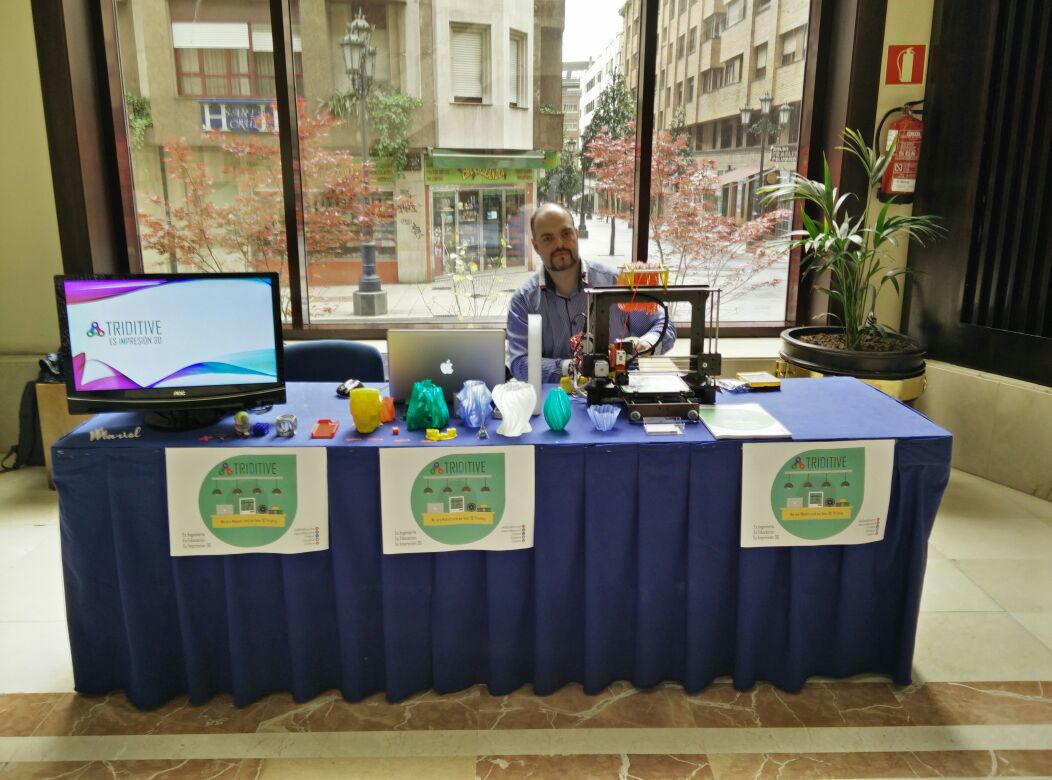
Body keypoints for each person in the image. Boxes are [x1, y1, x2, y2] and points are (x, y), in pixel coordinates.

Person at [507, 202, 675, 382]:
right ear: (535, 246)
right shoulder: (523, 301)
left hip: (617, 393)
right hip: (555, 396)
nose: (560, 244)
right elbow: (519, 363)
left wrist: (643, 345)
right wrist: (575, 367)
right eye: (548, 238)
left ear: (576, 234)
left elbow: (665, 327)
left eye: (566, 233)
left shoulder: (616, 283)